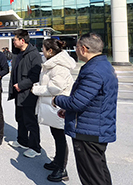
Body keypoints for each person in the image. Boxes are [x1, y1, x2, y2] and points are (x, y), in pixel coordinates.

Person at [53, 33, 118, 185]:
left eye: (76, 47)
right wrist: (68, 111)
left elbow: (77, 103)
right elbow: (89, 99)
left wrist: (57, 100)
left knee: (91, 178)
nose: (75, 50)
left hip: (88, 132)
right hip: (95, 127)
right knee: (99, 173)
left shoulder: (93, 71)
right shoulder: (103, 65)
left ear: (83, 49)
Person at [31, 38, 76, 182]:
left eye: (43, 49)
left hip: (58, 107)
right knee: (56, 136)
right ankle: (57, 162)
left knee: (60, 138)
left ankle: (62, 169)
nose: (42, 51)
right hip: (53, 106)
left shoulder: (59, 67)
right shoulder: (53, 64)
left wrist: (37, 89)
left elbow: (55, 87)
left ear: (50, 51)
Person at [8, 29, 42, 158]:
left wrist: (21, 85)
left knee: (30, 121)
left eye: (15, 39)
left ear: (22, 41)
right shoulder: (19, 53)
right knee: (20, 118)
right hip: (18, 92)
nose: (13, 41)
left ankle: (35, 147)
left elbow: (36, 75)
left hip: (28, 93)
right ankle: (22, 141)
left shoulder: (34, 55)